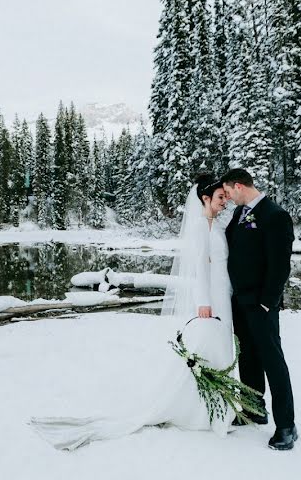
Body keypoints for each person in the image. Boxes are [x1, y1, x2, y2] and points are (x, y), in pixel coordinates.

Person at [29, 175, 238, 450]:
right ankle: (199, 410)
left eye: (226, 197)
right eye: (220, 197)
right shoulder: (200, 227)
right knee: (209, 348)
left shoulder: (214, 224)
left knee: (217, 349)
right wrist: (203, 303)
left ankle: (217, 404)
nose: (225, 202)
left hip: (223, 294)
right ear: (205, 199)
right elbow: (199, 268)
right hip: (211, 299)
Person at [221, 168, 298, 451]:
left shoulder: (274, 215)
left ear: (239, 186)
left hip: (262, 304)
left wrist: (268, 301)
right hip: (240, 301)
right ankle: (254, 408)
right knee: (248, 357)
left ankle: (287, 426)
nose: (227, 198)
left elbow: (280, 265)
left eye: (228, 193)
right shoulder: (239, 215)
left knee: (272, 361)